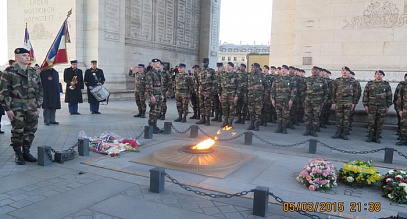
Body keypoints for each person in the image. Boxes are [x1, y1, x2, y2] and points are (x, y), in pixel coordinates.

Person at [0, 48, 43, 165]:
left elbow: (40, 90)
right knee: (18, 130)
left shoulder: (33, 72)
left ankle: (26, 152)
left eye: (28, 55)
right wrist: (8, 109)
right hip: (17, 106)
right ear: (17, 57)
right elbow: (4, 92)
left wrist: (38, 105)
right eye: (24, 55)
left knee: (31, 130)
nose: (27, 57)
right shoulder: (9, 72)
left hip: (32, 106)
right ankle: (18, 154)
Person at [362, 70, 392, 143]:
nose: (379, 75)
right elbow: (365, 95)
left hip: (382, 107)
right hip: (372, 106)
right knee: (371, 122)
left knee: (380, 122)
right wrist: (365, 105)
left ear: (383, 76)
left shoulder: (386, 85)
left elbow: (389, 96)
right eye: (377, 74)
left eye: (380, 74)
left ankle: (377, 137)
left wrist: (388, 106)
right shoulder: (370, 84)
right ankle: (370, 136)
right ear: (375, 75)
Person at [331, 66, 359, 140]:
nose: (344, 72)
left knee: (346, 119)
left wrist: (354, 103)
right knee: (338, 118)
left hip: (348, 103)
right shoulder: (337, 81)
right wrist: (333, 102)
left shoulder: (353, 81)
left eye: (346, 70)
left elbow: (356, 93)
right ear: (341, 72)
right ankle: (338, 132)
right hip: (339, 102)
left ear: (349, 72)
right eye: (343, 70)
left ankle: (344, 133)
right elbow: (333, 92)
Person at [302, 66, 328, 137]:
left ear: (319, 71)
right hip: (308, 101)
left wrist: (324, 102)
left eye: (316, 70)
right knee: (307, 116)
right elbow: (303, 90)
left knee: (316, 116)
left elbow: (326, 92)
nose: (314, 71)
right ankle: (308, 129)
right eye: (313, 70)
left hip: (317, 102)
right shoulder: (307, 79)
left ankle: (313, 130)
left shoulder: (323, 80)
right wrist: (303, 100)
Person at [271, 65, 297, 134]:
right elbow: (273, 89)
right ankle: (279, 127)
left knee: (285, 115)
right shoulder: (277, 78)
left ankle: (284, 127)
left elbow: (294, 90)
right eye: (282, 68)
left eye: (285, 69)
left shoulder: (291, 79)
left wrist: (291, 99)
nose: (283, 70)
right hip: (277, 100)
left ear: (287, 70)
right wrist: (272, 99)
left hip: (286, 100)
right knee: (278, 114)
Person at [145, 58, 164, 134]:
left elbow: (160, 85)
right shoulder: (150, 73)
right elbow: (149, 85)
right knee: (153, 111)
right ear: (153, 64)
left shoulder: (159, 72)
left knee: (157, 111)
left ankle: (155, 126)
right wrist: (151, 96)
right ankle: (151, 126)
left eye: (159, 63)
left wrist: (162, 94)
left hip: (159, 95)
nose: (159, 64)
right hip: (153, 95)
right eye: (157, 63)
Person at [218, 62, 239, 128]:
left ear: (232, 67)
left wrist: (236, 96)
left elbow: (239, 86)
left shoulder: (235, 75)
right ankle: (225, 120)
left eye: (229, 66)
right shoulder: (222, 74)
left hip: (232, 94)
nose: (227, 67)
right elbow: (219, 84)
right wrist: (219, 94)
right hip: (224, 93)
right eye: (227, 66)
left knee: (232, 108)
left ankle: (230, 122)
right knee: (224, 108)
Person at [247, 63, 267, 131]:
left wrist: (264, 96)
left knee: (258, 111)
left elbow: (267, 87)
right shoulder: (249, 76)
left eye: (255, 67)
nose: (254, 68)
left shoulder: (262, 76)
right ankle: (251, 124)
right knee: (251, 111)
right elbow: (245, 86)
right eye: (253, 67)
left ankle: (257, 125)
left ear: (259, 68)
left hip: (259, 97)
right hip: (250, 96)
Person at [196, 58, 214, 126]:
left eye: (205, 62)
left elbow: (214, 82)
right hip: (201, 90)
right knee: (201, 105)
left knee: (207, 106)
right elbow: (196, 81)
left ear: (208, 63)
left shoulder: (211, 71)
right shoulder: (199, 71)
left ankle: (208, 120)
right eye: (203, 62)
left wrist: (212, 91)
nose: (203, 64)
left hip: (208, 91)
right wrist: (196, 89)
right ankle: (202, 118)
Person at [395, 73, 407, 145]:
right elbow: (399, 99)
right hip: (404, 109)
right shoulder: (403, 86)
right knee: (403, 125)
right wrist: (399, 110)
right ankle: (403, 139)